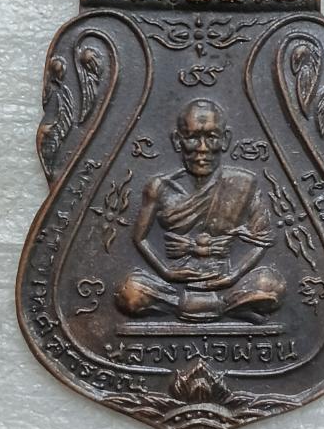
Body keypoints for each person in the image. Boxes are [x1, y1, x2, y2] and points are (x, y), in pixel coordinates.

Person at [115, 99, 286, 323]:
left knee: (272, 286)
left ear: (225, 140)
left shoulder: (243, 183)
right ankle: (223, 307)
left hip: (225, 278)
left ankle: (191, 306)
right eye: (193, 138)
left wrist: (233, 275)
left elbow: (263, 239)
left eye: (212, 137)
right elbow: (139, 238)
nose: (202, 149)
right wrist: (166, 272)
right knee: (129, 292)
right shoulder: (159, 187)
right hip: (173, 282)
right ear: (178, 140)